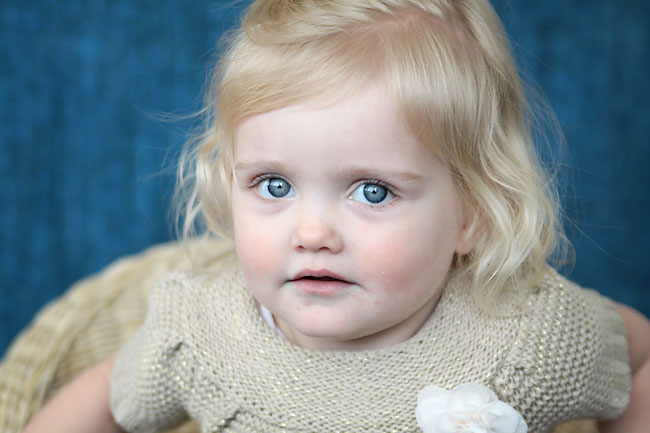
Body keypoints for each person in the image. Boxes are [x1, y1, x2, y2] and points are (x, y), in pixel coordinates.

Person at [21, 0, 650, 432]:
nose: (313, 233)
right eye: (273, 184)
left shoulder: (529, 333)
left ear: (474, 215)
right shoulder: (200, 333)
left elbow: (639, 357)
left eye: (372, 192)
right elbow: (107, 396)